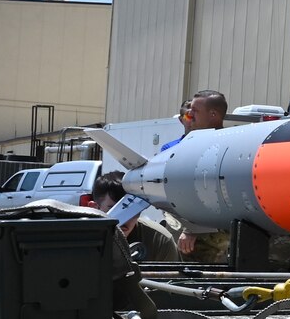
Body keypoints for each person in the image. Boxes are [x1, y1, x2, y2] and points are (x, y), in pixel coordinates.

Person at [163, 89, 232, 263]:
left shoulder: (228, 147)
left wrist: (193, 228)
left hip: (217, 238)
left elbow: (217, 194)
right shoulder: (186, 147)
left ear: (213, 114)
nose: (189, 114)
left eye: (195, 111)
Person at [91, 171, 182, 263]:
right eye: (114, 210)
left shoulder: (159, 240)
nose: (125, 218)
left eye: (132, 210)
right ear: (94, 208)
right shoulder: (80, 239)